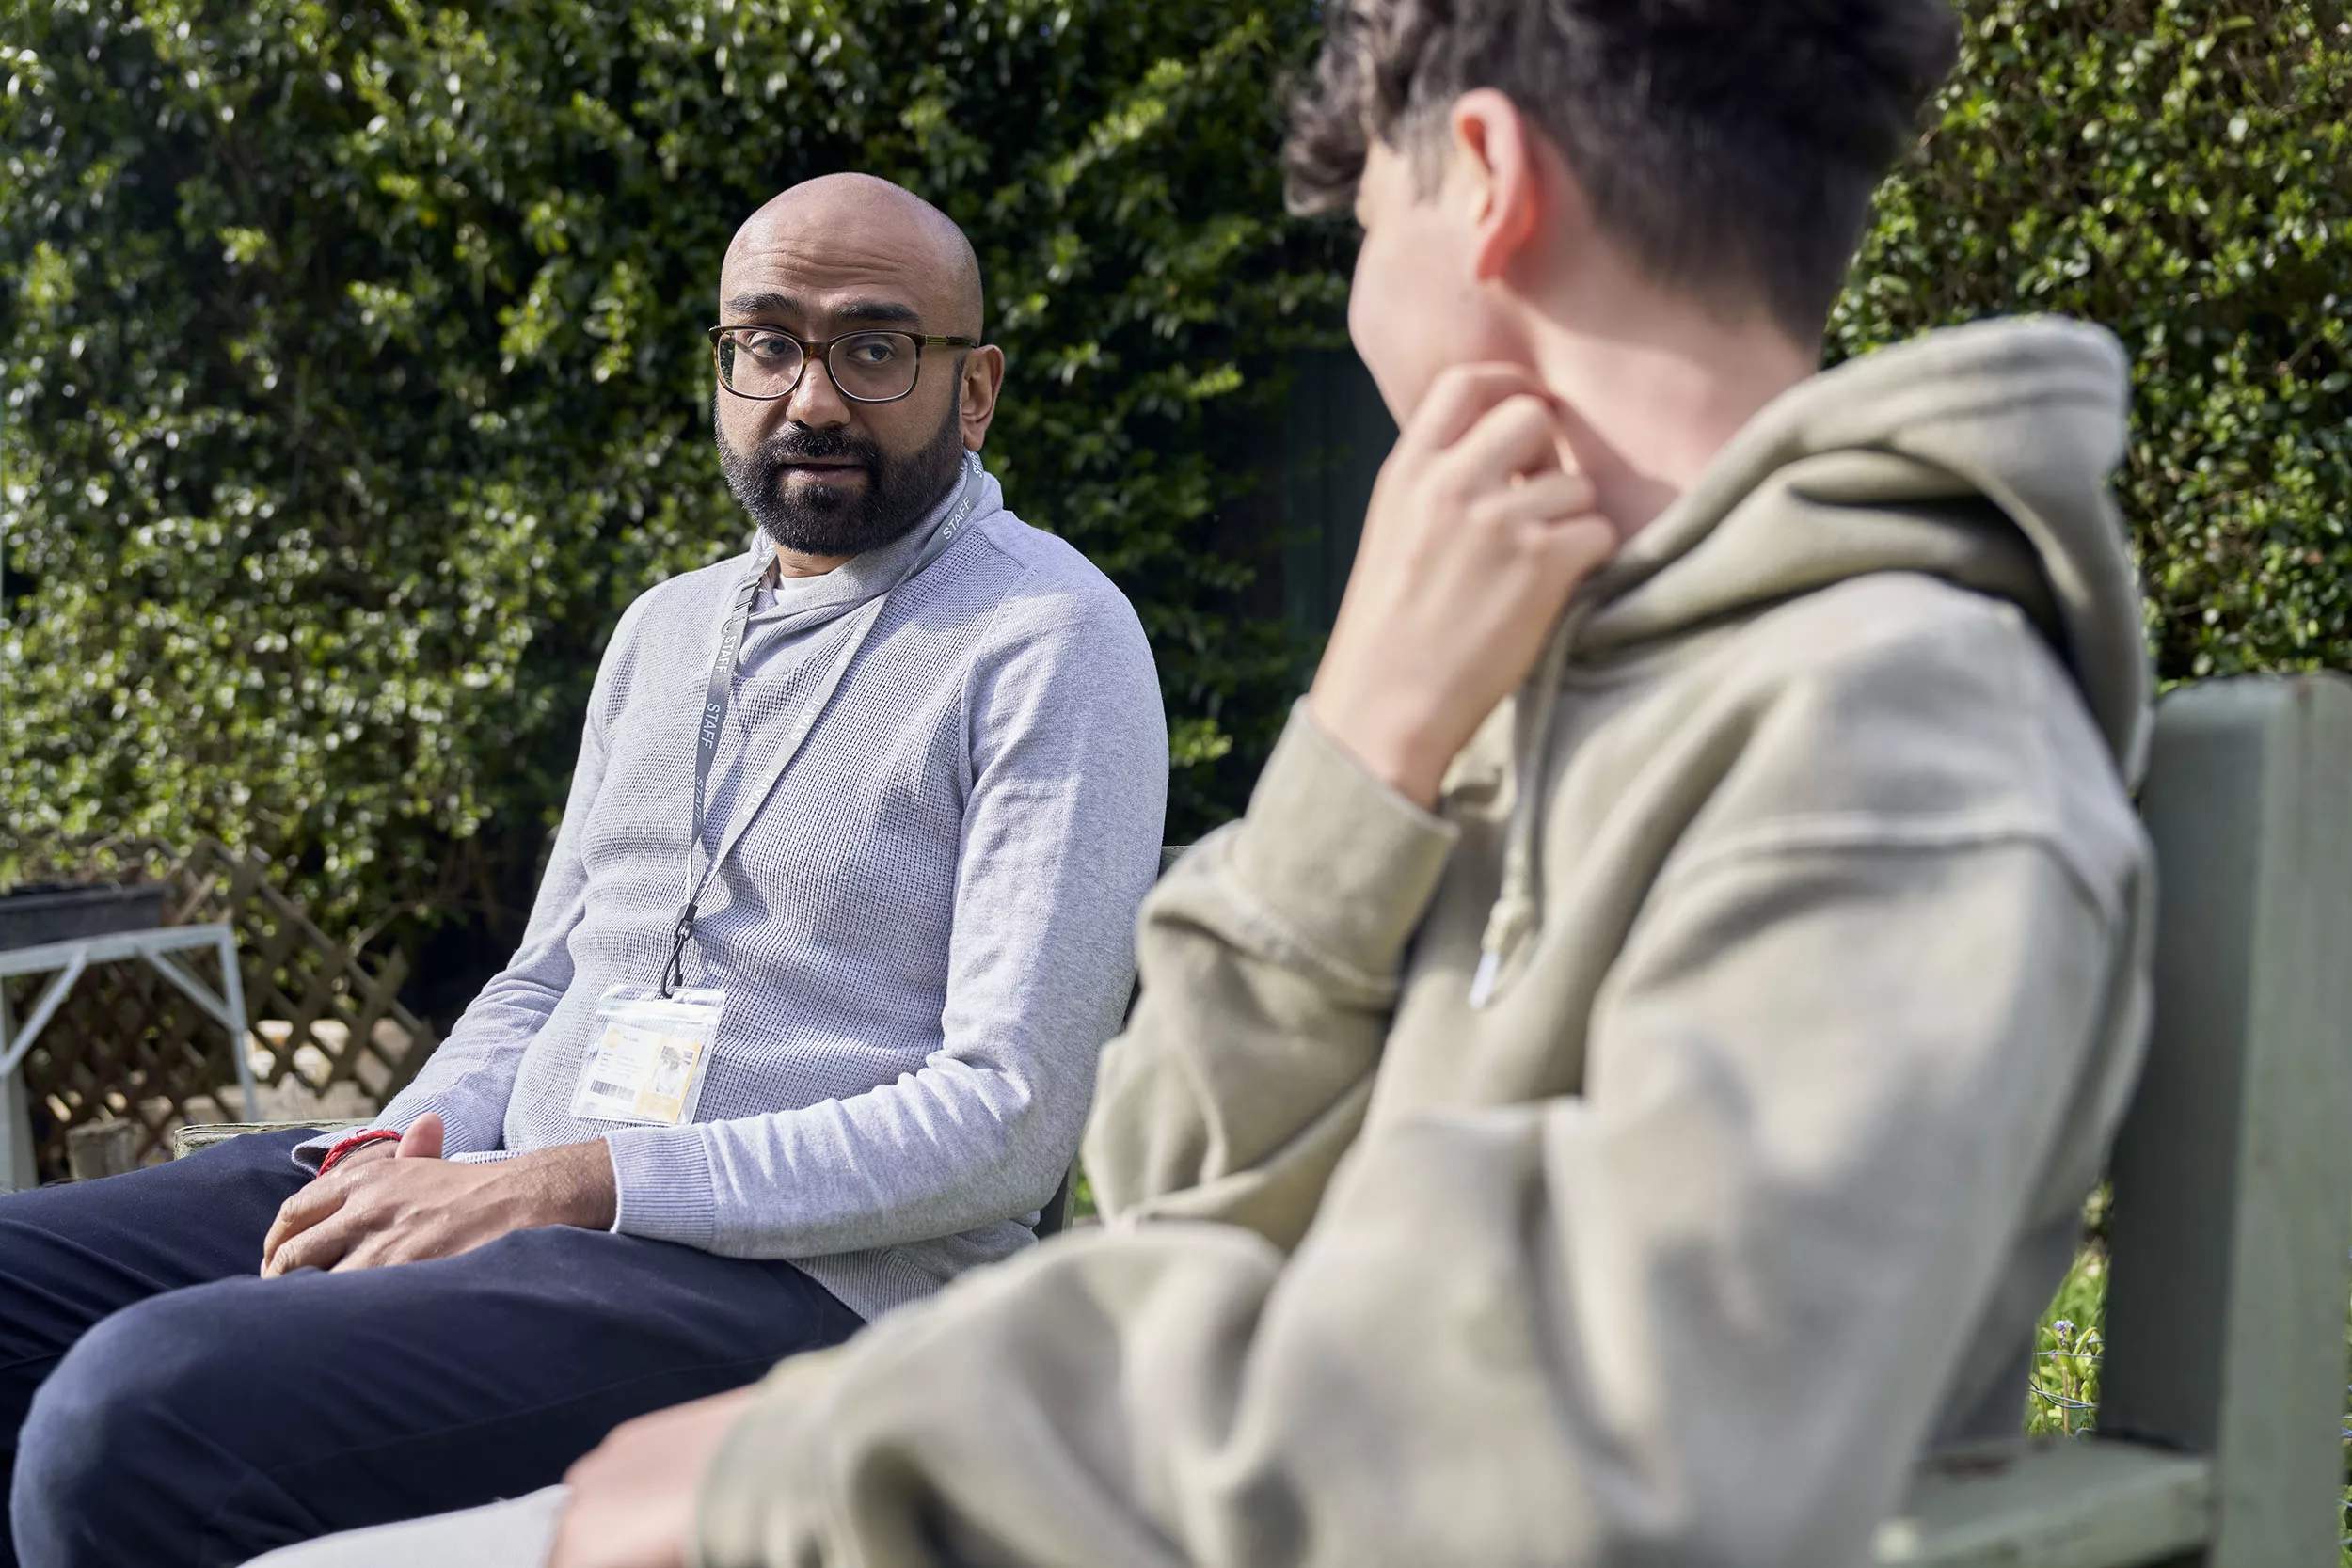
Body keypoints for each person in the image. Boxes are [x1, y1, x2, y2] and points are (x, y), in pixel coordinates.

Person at [266, 0, 2161, 1561]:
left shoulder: (1893, 729)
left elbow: (1612, 1455)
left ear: (1481, 183)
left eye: (1366, 214)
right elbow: (1163, 1171)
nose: (1352, 274)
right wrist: (1358, 758)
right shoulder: (1536, 666)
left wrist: (812, 1457)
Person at [0, 172, 1168, 1568]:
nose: (812, 396)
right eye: (767, 342)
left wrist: (569, 1183)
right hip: (514, 1188)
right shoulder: (666, 629)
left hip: (793, 1281)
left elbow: (1007, 1119)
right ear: (723, 367)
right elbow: (546, 970)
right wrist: (411, 1145)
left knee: (137, 1416)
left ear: (972, 390)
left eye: (874, 347)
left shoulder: (1051, 637)